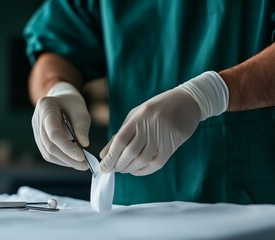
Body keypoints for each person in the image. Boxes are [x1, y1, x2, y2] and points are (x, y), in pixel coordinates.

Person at [24, 0, 275, 205]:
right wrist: (57, 88)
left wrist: (210, 93)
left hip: (255, 202)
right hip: (136, 205)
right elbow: (55, 44)